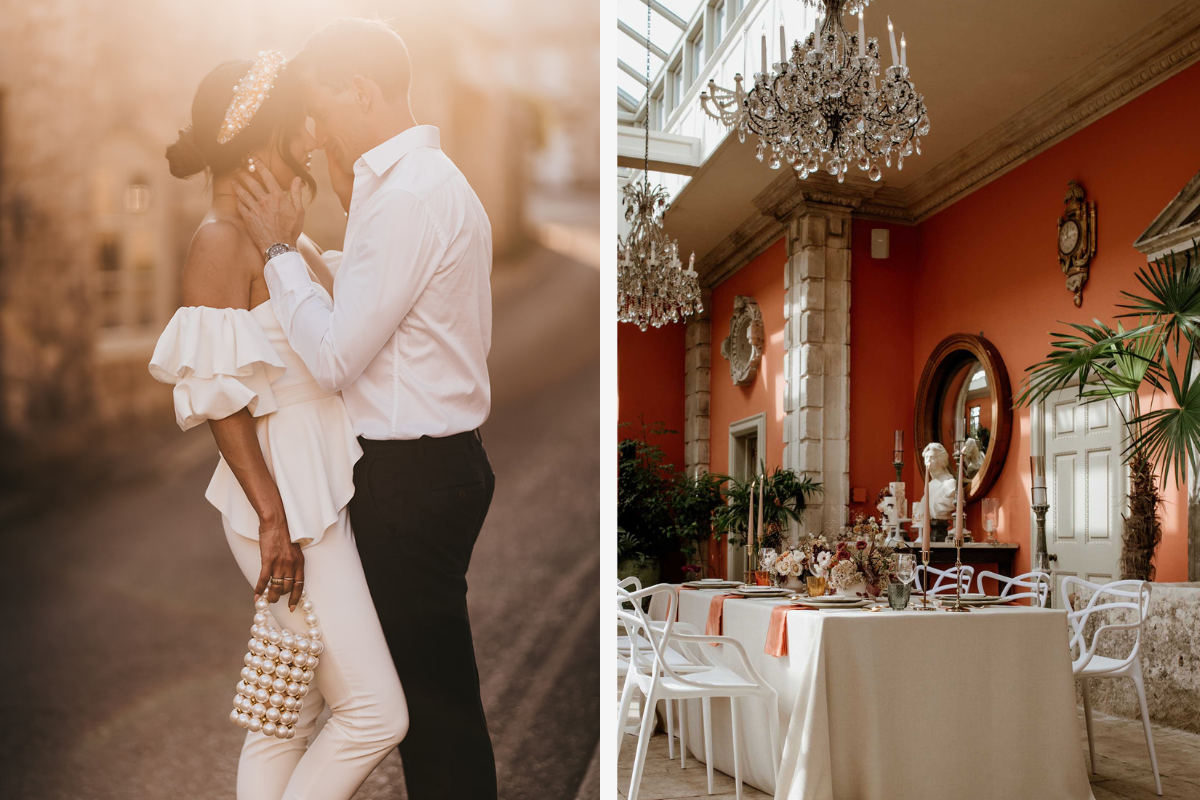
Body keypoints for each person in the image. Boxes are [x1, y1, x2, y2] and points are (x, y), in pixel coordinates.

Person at [234, 19, 498, 800]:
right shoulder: (422, 184)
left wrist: (282, 253)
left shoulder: (410, 196)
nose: (318, 131)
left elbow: (337, 355)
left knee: (432, 706)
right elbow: (380, 304)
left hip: (410, 478)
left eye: (325, 108)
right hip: (436, 466)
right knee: (434, 690)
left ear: (363, 90)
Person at [150, 51, 407, 800]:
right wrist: (272, 517)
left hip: (309, 483)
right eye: (299, 113)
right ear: (263, 129)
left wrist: (320, 210)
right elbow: (216, 395)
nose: (311, 125)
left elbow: (346, 334)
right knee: (374, 713)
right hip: (286, 500)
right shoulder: (220, 240)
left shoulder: (276, 236)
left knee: (284, 717)